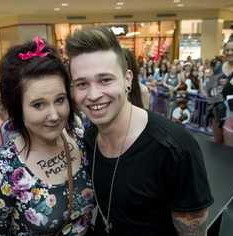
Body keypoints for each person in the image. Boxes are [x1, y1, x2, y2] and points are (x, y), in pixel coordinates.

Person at [66, 27, 213, 236]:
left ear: (127, 79)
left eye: (105, 80)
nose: (93, 94)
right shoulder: (88, 140)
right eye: (82, 84)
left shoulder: (174, 147)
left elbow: (193, 231)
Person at [0, 36, 94, 235]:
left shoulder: (81, 140)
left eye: (60, 99)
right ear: (17, 108)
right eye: (38, 104)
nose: (55, 115)